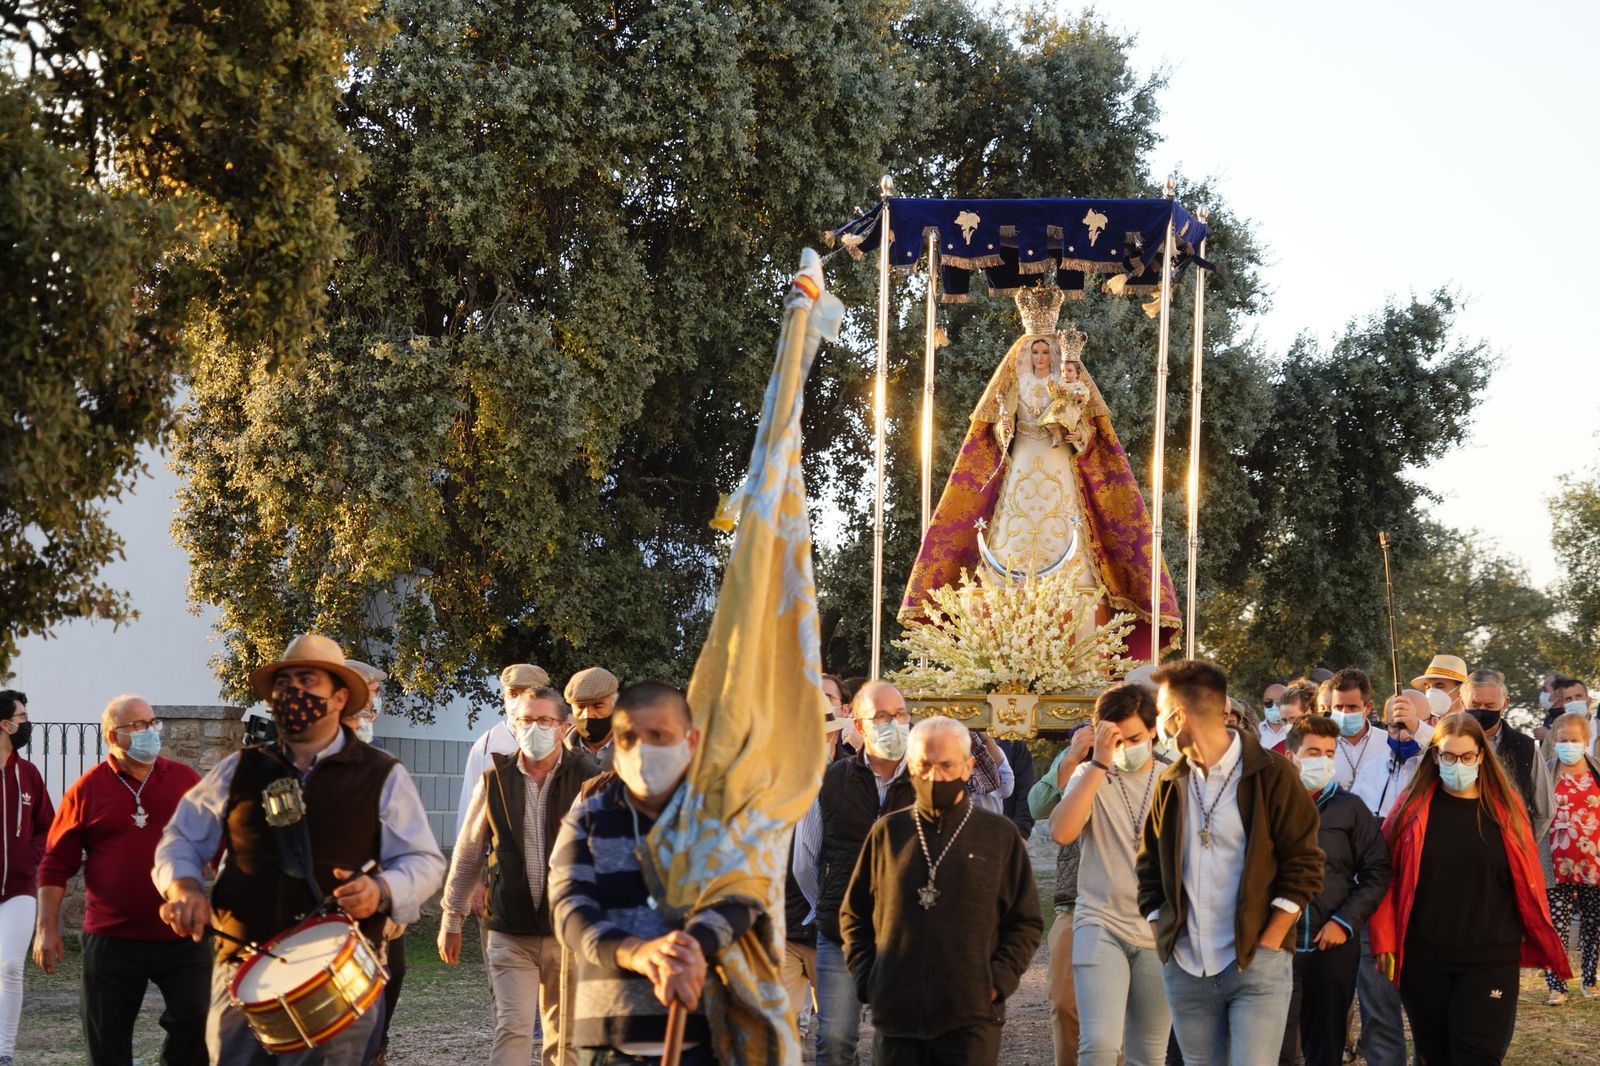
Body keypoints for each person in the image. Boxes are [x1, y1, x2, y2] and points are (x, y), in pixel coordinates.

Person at [152, 633, 446, 1066]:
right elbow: (180, 839)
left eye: (307, 680)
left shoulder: (383, 774)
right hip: (243, 968)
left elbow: (423, 861)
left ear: (340, 697)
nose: (292, 692)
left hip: (340, 976)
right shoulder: (239, 768)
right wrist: (182, 887)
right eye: (283, 683)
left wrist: (380, 890)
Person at [900, 288, 1178, 662]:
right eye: (1035, 351)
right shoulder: (1012, 385)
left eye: (1047, 350)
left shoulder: (1071, 384)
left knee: (1065, 519)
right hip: (1023, 458)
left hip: (1058, 459)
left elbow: (1091, 432)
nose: (1041, 356)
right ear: (1025, 354)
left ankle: (1074, 581)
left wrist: (1077, 434)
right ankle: (1006, 575)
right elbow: (994, 436)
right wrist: (1003, 427)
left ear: (1058, 354)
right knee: (1012, 523)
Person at [549, 680, 757, 1065]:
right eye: (629, 738)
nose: (644, 749)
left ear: (690, 741)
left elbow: (739, 899)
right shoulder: (588, 816)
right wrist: (639, 953)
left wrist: (694, 946)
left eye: (659, 735)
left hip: (705, 1032)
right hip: (610, 1033)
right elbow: (569, 909)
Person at [1135, 660, 1324, 1066]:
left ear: (1178, 716)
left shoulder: (1273, 775)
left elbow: (1305, 864)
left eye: (1161, 712)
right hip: (1186, 965)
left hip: (1257, 964)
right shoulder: (1170, 782)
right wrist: (1162, 931)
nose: (1158, 724)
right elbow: (1148, 868)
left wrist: (1271, 941)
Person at [839, 716, 1042, 1065]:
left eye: (947, 765)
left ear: (968, 766)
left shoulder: (998, 835)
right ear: (910, 767)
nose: (935, 776)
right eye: (924, 765)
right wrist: (868, 979)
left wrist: (997, 983)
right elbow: (854, 914)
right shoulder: (888, 832)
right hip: (897, 1016)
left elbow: (1025, 921)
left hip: (972, 1016)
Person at [1369, 713, 1570, 1065]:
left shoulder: (1505, 810)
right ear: (1435, 756)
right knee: (1434, 1055)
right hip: (1424, 957)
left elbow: (1525, 878)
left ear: (1480, 756)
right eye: (1448, 756)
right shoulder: (1409, 809)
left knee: (1478, 1056)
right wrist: (1384, 940)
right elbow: (1386, 876)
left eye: (1466, 757)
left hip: (1490, 956)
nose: (1457, 764)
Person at [440, 686, 600, 1065]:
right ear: (514, 724)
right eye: (526, 720)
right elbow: (468, 853)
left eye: (545, 721)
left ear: (564, 726)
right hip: (510, 932)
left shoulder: (591, 778)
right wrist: (452, 917)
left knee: (566, 1039)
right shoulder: (495, 778)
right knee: (512, 1028)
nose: (535, 729)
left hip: (569, 933)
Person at [42, 698, 189, 1066]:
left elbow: (218, 841)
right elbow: (57, 861)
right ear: (112, 736)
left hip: (182, 936)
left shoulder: (185, 780)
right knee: (107, 1043)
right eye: (137, 726)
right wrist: (47, 928)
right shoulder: (87, 789)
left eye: (152, 723)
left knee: (198, 1024)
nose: (149, 732)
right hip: (112, 938)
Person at [793, 680, 916, 1066]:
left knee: (900, 1037)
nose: (895, 724)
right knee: (834, 1040)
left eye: (900, 715)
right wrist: (830, 902)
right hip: (842, 931)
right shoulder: (830, 781)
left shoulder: (926, 782)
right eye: (882, 716)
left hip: (908, 930)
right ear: (859, 726)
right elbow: (805, 859)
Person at [1048, 685, 1172, 1066]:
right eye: (1115, 739)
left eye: (1134, 738)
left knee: (1148, 1055)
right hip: (1099, 922)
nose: (1126, 748)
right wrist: (1099, 763)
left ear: (1153, 731)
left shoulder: (1174, 779)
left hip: (1157, 929)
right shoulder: (1091, 773)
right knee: (1099, 1044)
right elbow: (1062, 831)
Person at [1279, 715, 1389, 1066]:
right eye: (1313, 751)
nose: (1322, 760)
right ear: (1291, 754)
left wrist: (1345, 922)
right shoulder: (1270, 805)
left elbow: (1377, 871)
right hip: (1278, 944)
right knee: (1276, 1045)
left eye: (1329, 753)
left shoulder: (1350, 808)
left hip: (1333, 945)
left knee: (1325, 1045)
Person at [343, 658, 405, 1064]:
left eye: (378, 694)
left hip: (381, 897)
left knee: (391, 975)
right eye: (370, 693)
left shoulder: (382, 756)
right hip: (329, 902)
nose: (374, 705)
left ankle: (375, 1052)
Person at [1028, 724, 1094, 1066]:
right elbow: (1037, 805)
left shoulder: (1159, 764)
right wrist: (1074, 755)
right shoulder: (1078, 759)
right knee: (1064, 1002)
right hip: (1076, 900)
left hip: (1135, 905)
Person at [0, 690, 50, 1066]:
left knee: (11, 966)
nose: (26, 723)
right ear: (4, 724)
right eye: (22, 716)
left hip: (19, 888)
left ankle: (4, 1051)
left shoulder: (29, 774)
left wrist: (29, 859)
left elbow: (45, 827)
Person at [1542, 710, 1600, 1003]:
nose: (1568, 745)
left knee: (1593, 924)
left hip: (1594, 865)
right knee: (1556, 927)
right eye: (1562, 740)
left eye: (1574, 739)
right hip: (1556, 864)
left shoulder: (1597, 771)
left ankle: (1589, 981)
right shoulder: (1545, 772)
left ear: (1586, 741)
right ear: (1554, 742)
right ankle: (1556, 985)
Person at [459, 663, 550, 836]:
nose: (518, 701)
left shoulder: (558, 737)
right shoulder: (486, 746)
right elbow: (468, 811)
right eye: (513, 694)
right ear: (504, 697)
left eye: (526, 693)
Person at [1464, 668, 1554, 841]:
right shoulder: (1448, 745)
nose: (1482, 711)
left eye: (1490, 706)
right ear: (1462, 702)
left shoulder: (1526, 748)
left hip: (1509, 852)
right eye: (1475, 705)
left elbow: (1545, 809)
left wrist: (1522, 845)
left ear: (1505, 703)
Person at [564, 667, 620, 767]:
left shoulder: (640, 749)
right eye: (580, 707)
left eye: (597, 706)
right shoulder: (557, 753)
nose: (587, 715)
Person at [996, 737, 1037, 838]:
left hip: (1004, 835)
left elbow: (1025, 791)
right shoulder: (955, 738)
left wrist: (1021, 832)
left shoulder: (1013, 744)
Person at [1411, 653, 1467, 719]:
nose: (1431, 692)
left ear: (1461, 690)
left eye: (1439, 686)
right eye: (1428, 687)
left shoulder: (1475, 725)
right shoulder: (1421, 725)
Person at [1258, 682, 1289, 750]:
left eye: (1279, 702)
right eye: (1268, 702)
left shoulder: (1297, 732)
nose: (1274, 706)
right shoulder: (1254, 731)